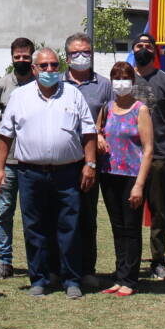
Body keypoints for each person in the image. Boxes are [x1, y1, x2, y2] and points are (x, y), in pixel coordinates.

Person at [0, 48, 97, 299]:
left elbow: (88, 132)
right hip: (30, 173)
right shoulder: (20, 96)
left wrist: (90, 164)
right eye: (44, 66)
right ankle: (39, 278)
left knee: (69, 226)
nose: (49, 70)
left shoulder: (72, 94)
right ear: (34, 69)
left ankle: (71, 279)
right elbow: (5, 135)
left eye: (53, 65)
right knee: (34, 227)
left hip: (68, 172)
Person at [95, 62, 153, 296]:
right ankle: (119, 276)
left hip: (132, 176)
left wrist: (139, 184)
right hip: (109, 175)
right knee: (117, 227)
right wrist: (99, 137)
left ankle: (130, 279)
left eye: (125, 78)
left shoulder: (141, 110)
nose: (121, 83)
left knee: (131, 228)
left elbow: (148, 149)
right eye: (116, 78)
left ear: (133, 81)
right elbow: (97, 130)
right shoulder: (107, 108)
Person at [0, 37, 36, 280]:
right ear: (12, 57)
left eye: (26, 57)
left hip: (34, 161)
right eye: (18, 57)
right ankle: (4, 262)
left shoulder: (40, 83)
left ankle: (37, 262)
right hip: (9, 161)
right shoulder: (2, 85)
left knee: (33, 214)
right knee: (4, 212)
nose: (22, 60)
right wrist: (4, 129)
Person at [63, 33, 112, 288]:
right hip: (62, 160)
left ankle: (87, 269)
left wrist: (101, 134)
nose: (81, 56)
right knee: (61, 216)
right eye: (75, 53)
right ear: (67, 57)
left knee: (87, 216)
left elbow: (113, 117)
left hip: (91, 162)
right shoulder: (57, 83)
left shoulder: (104, 85)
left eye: (86, 52)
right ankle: (60, 268)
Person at [131, 33, 165, 281]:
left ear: (154, 51)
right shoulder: (123, 79)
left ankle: (158, 261)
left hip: (158, 156)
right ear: (133, 50)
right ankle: (130, 262)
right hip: (129, 157)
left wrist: (159, 140)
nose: (143, 48)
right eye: (139, 45)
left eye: (148, 45)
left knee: (158, 211)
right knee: (130, 212)